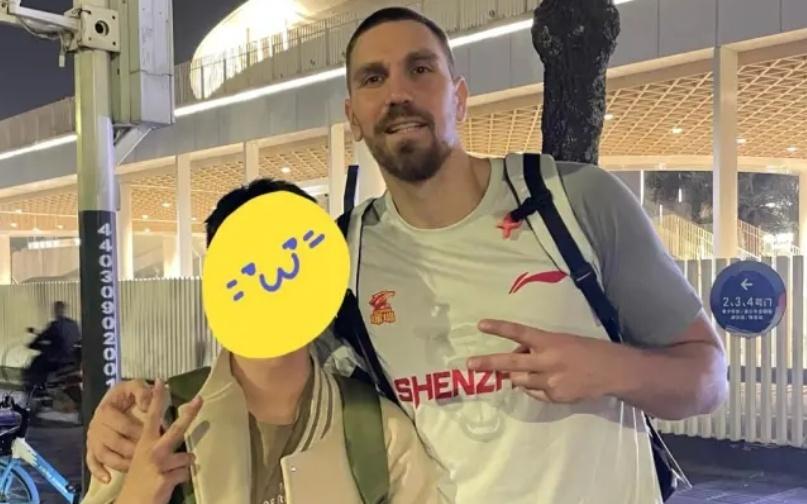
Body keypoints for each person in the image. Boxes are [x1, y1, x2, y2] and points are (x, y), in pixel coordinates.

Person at [86, 7, 728, 503]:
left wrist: (609, 368)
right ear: (353, 114)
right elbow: (260, 369)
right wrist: (128, 416)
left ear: (459, 95)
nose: (397, 93)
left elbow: (707, 379)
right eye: (374, 78)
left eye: (420, 69)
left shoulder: (573, 201)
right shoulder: (336, 254)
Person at [80, 179, 440, 504]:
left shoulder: (379, 431)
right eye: (249, 269)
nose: (271, 283)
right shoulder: (153, 423)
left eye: (291, 265)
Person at [24, 301, 81, 394]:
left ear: (56, 311)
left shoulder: (55, 325)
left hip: (56, 360)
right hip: (71, 359)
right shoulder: (73, 324)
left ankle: (38, 391)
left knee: (36, 365)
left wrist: (32, 344)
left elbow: (43, 336)